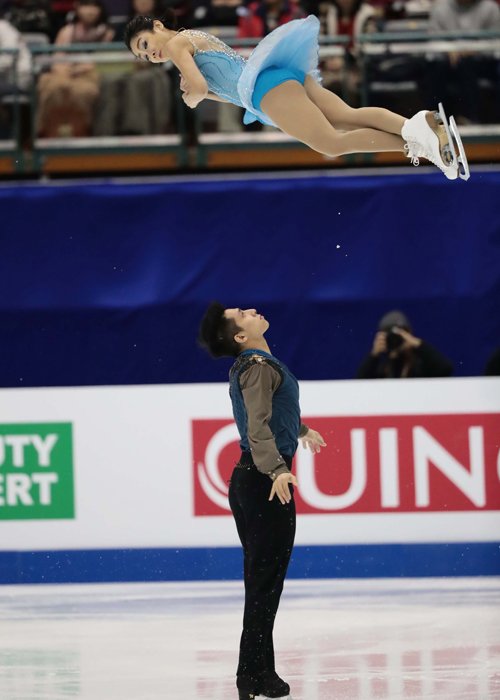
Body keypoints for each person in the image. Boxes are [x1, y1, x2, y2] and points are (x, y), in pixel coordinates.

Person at [123, 12, 469, 179]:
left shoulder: (178, 42)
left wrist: (193, 97)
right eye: (142, 56)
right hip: (275, 79)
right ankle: (419, 129)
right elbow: (229, 92)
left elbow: (199, 89)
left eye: (144, 44)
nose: (149, 54)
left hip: (267, 88)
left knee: (331, 143)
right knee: (347, 114)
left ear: (157, 27)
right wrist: (205, 93)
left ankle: (421, 142)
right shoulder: (189, 40)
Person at [198, 302, 326, 700]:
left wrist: (301, 429)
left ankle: (258, 672)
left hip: (251, 480)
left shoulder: (253, 366)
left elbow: (270, 412)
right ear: (240, 336)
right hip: (263, 480)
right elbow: (257, 424)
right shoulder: (258, 367)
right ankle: (252, 674)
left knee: (262, 582)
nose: (253, 310)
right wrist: (277, 470)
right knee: (265, 583)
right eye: (244, 314)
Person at [37, 0, 114, 137]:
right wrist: (64, 71)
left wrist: (83, 68)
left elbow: (102, 61)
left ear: (100, 10)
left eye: (94, 6)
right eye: (86, 6)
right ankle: (45, 133)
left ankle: (83, 133)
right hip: (64, 73)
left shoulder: (107, 33)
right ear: (78, 8)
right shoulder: (67, 31)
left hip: (90, 75)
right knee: (52, 88)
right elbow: (57, 59)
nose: (90, 11)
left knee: (81, 92)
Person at [426, 0, 500, 124]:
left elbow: (495, 41)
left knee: (467, 65)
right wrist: (450, 50)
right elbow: (433, 39)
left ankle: (471, 118)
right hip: (447, 60)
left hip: (481, 61)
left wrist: (470, 50)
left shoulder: (490, 8)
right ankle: (435, 122)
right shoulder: (440, 8)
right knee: (434, 68)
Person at [356, 310, 454, 379]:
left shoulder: (420, 366)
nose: (395, 340)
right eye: (390, 336)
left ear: (408, 335)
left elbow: (445, 369)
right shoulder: (380, 369)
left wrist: (417, 344)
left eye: (400, 335)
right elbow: (359, 385)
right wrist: (374, 355)